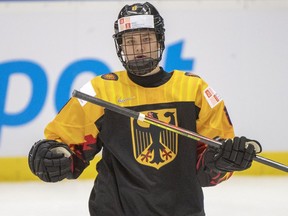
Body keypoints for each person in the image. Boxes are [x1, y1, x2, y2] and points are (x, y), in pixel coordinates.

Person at [28, 2, 262, 216]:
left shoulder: (194, 90)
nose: (138, 48)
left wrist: (224, 161)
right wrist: (51, 157)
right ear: (120, 46)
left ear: (160, 41)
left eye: (146, 39)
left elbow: (207, 169)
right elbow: (68, 151)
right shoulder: (100, 92)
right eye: (130, 41)